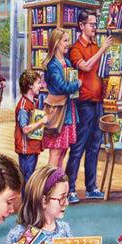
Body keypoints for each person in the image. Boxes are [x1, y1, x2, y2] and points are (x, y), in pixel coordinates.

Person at [67, 10, 116, 203]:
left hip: (98, 102)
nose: (95, 28)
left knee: (94, 146)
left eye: (96, 24)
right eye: (91, 24)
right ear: (81, 26)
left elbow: (99, 71)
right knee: (78, 146)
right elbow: (85, 66)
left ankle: (91, 187)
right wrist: (102, 50)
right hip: (83, 103)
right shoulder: (75, 48)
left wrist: (107, 65)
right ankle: (70, 189)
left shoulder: (95, 46)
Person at [42, 28, 80, 172]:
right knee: (56, 151)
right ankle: (49, 182)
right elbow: (62, 87)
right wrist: (77, 84)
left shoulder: (67, 62)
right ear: (56, 43)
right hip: (58, 112)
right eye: (65, 41)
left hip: (68, 111)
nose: (68, 44)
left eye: (68, 40)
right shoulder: (52, 65)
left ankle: (57, 180)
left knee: (63, 150)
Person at [13, 69, 46, 181]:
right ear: (30, 85)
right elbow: (25, 129)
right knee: (27, 178)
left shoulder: (33, 101)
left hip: (33, 146)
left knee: (30, 176)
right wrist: (42, 122)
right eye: (38, 83)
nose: (40, 86)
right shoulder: (23, 106)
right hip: (26, 148)